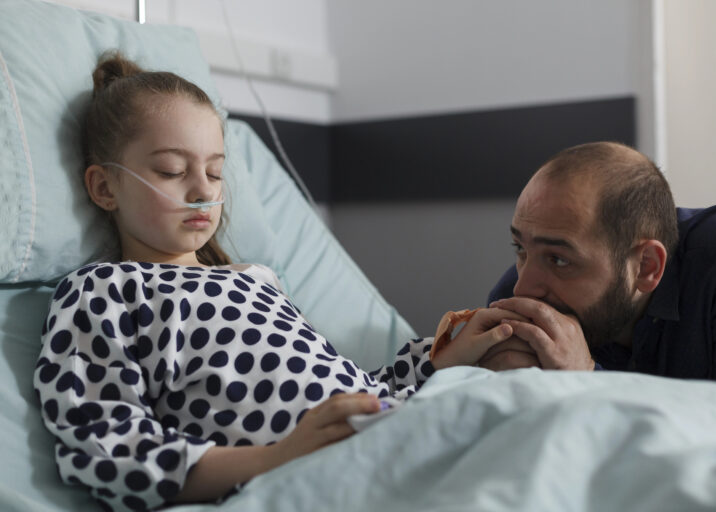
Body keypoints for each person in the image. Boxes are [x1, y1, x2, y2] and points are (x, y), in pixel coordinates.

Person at [33, 52, 519, 512]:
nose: (202, 190)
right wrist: (278, 457)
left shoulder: (257, 280)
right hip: (316, 474)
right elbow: (107, 450)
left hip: (390, 427)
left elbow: (346, 385)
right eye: (171, 170)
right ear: (104, 187)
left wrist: (441, 360)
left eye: (215, 172)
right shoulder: (104, 291)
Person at [483, 141, 716, 390]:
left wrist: (585, 377)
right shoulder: (512, 297)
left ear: (646, 266)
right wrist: (461, 373)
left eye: (559, 260)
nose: (523, 289)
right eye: (520, 249)